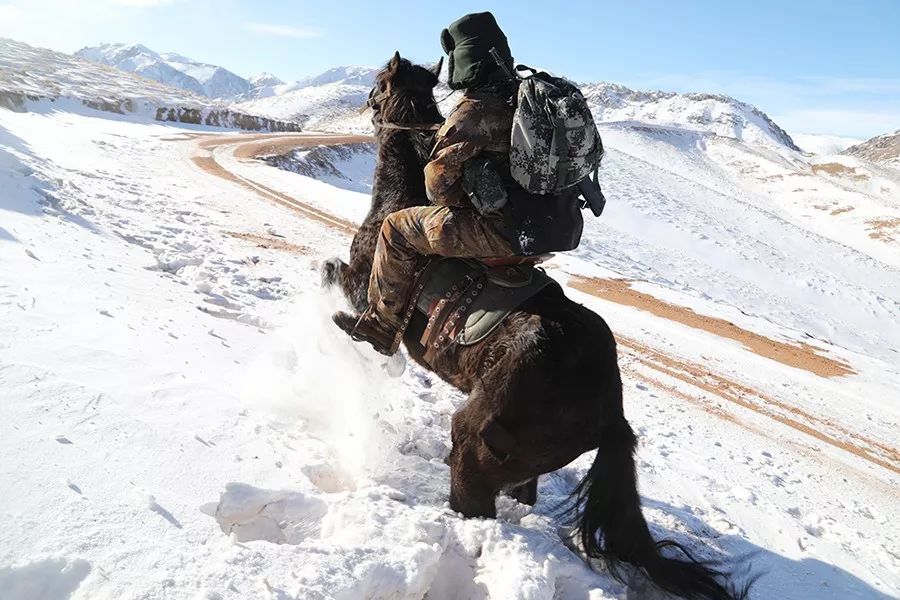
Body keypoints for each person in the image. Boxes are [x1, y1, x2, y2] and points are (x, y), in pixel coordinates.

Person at [333, 11, 584, 355]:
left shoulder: (475, 109)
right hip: (559, 228)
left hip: (504, 233)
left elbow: (437, 184)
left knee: (395, 227)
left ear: (464, 60)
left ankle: (381, 325)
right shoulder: (536, 97)